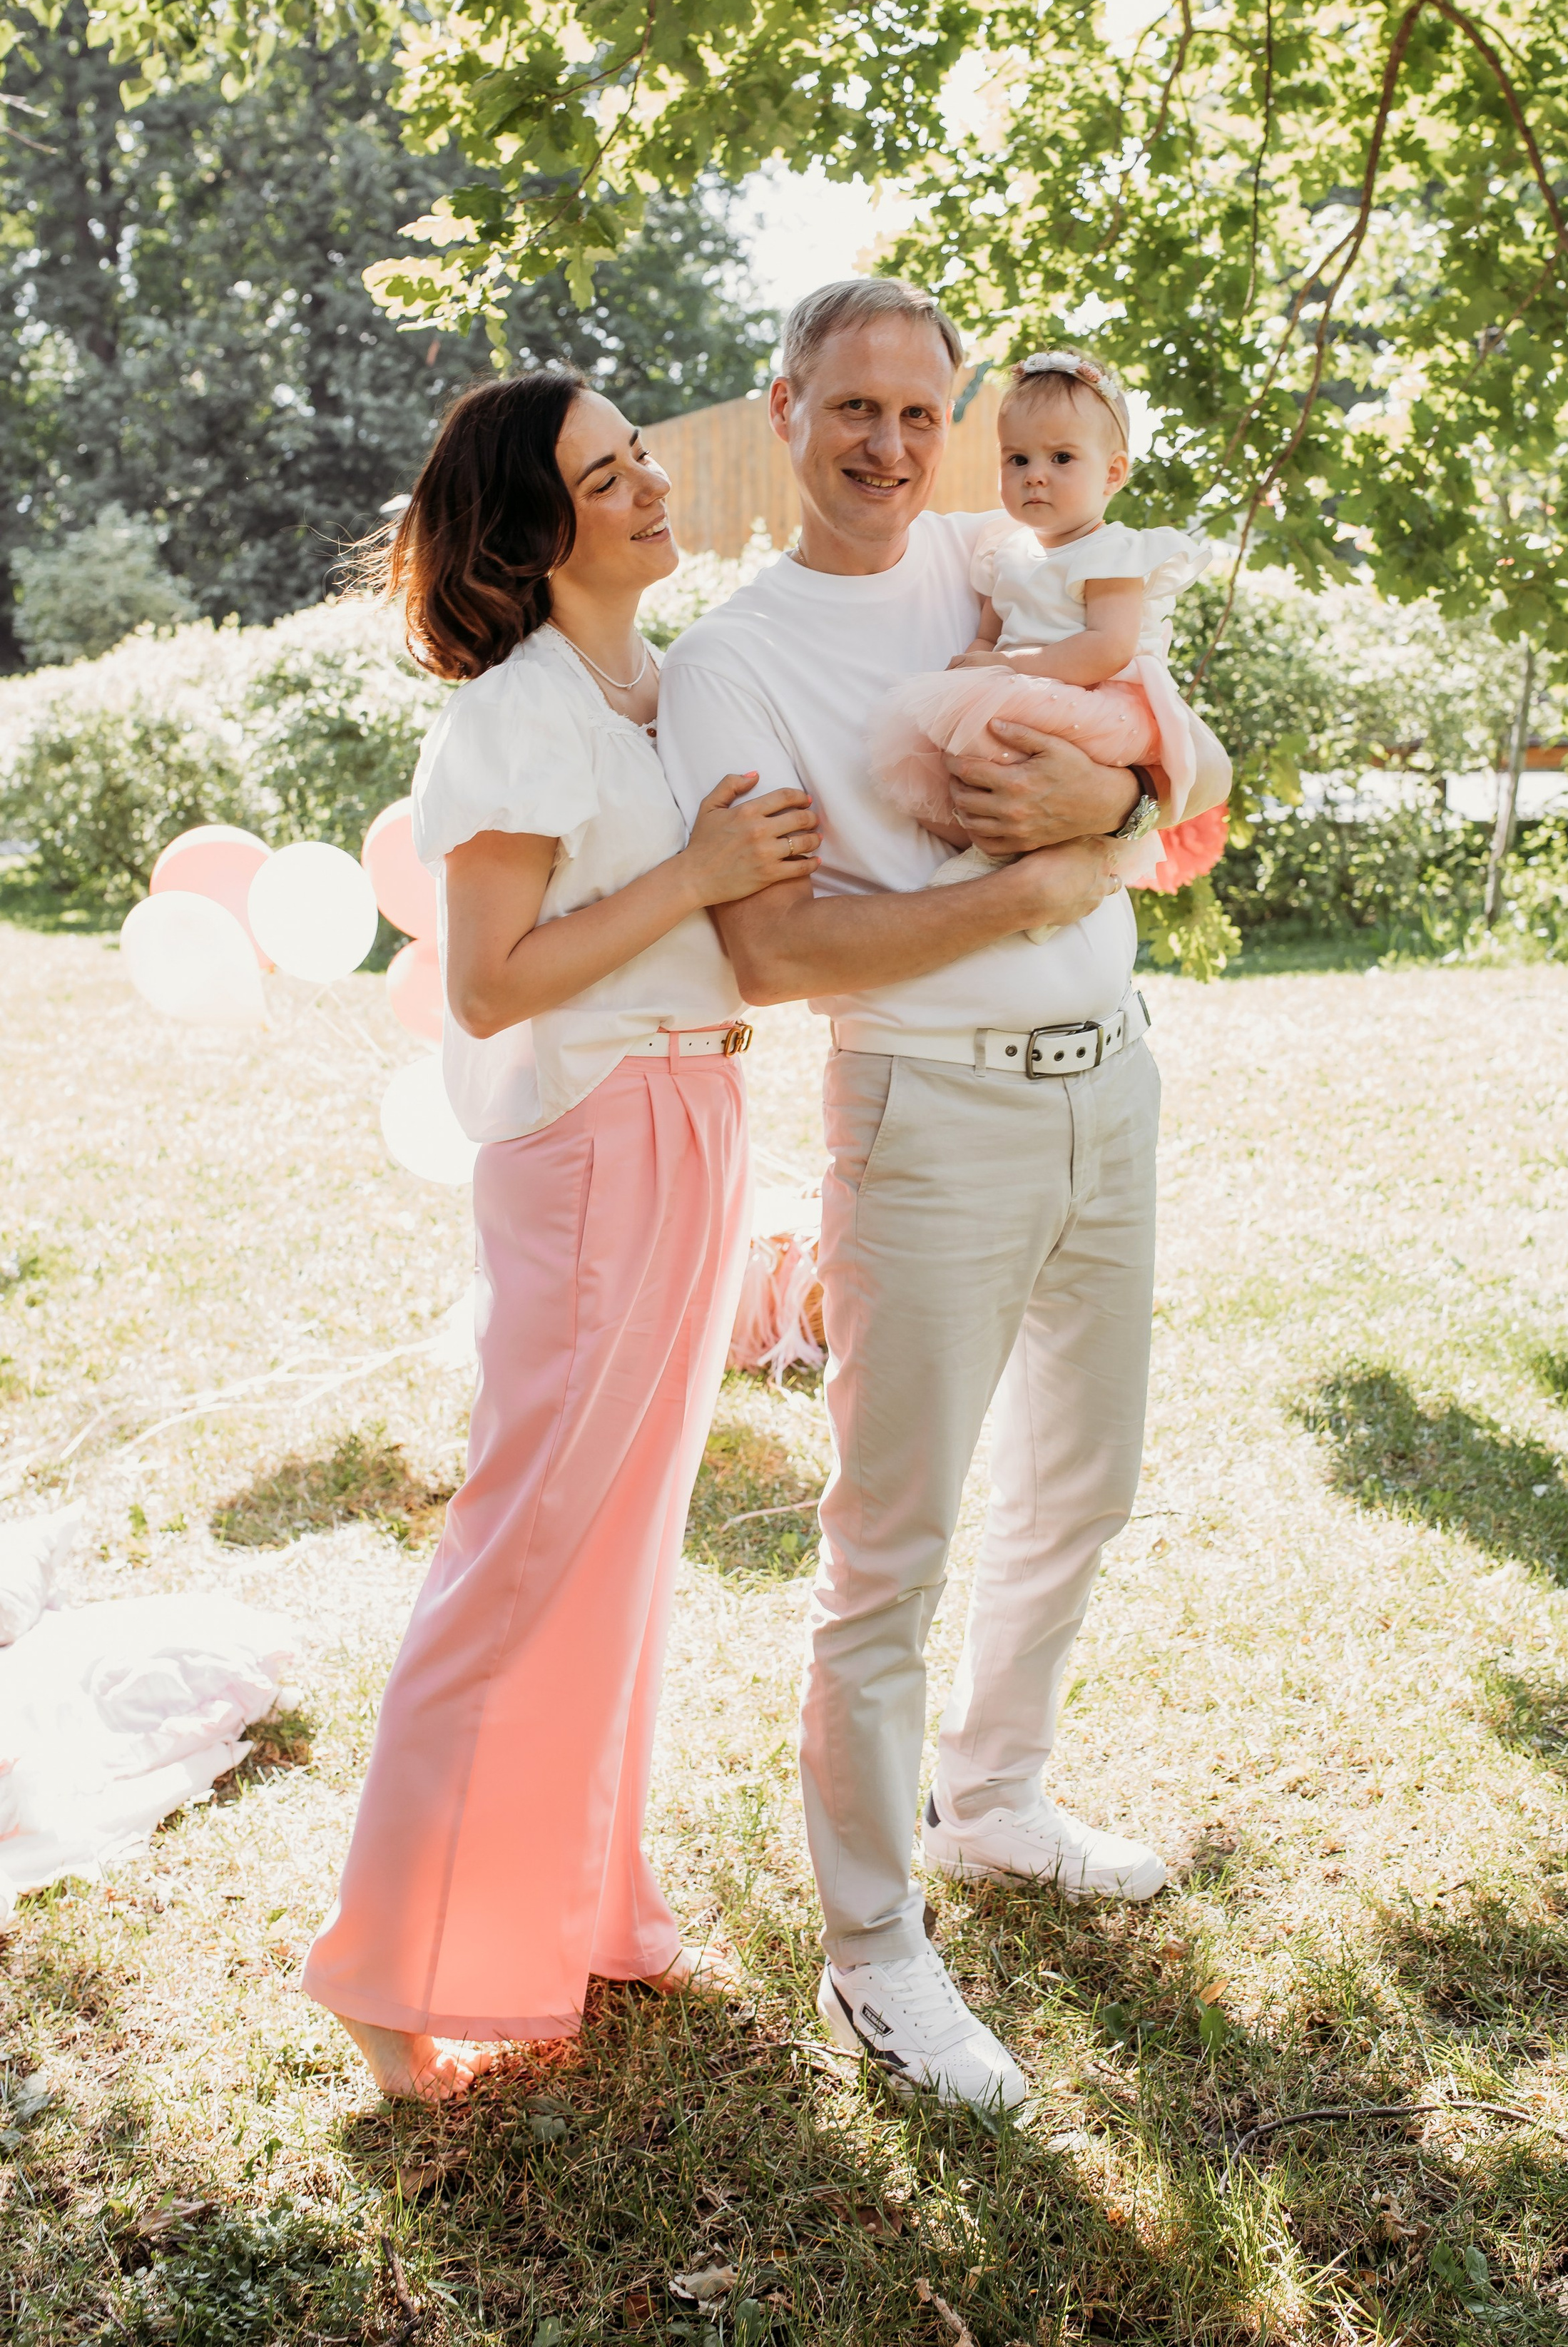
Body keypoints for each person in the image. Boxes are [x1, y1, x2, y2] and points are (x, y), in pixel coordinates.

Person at [658, 280, 1231, 2115]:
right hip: (923, 1112)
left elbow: (1199, 768)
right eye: (854, 410)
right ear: (785, 407)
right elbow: (766, 950)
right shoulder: (734, 659)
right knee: (884, 1550)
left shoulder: (1007, 555)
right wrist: (1027, 886)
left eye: (923, 412)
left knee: (1086, 1482)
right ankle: (873, 1950)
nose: (891, 448)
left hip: (1110, 1086)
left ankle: (992, 1801)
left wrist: (1115, 806)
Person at [301, 370, 819, 2101]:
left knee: (622, 1548)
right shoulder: (514, 715)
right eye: (609, 474)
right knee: (525, 1541)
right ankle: (390, 1962)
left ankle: (581, 1904)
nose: (651, 485)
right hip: (590, 1143)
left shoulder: (662, 690)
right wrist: (691, 871)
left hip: (694, 1113)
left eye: (640, 456)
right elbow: (489, 981)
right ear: (537, 532)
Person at [870, 347, 1228, 915]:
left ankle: (1018, 863)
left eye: (1062, 458)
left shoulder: (1111, 552)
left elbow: (1107, 648)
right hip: (1028, 687)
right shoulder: (1004, 549)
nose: (1035, 474)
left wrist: (1009, 668)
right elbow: (991, 630)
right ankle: (1013, 857)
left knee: (1005, 736)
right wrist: (975, 662)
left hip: (1098, 698)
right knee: (959, 743)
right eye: (1017, 459)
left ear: (1112, 473)